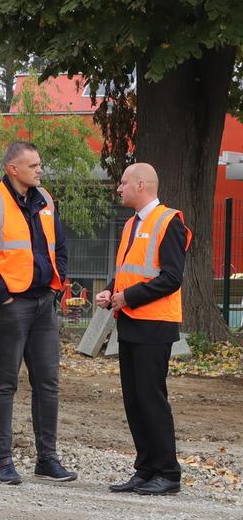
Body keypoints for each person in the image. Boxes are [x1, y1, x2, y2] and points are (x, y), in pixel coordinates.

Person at [0, 140, 78, 485]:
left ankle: (47, 459)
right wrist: (1, 292)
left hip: (44, 302)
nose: (40, 170)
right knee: (4, 383)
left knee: (48, 382)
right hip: (8, 306)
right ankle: (4, 462)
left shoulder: (45, 200)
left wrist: (56, 283)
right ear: (13, 169)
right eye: (34, 166)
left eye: (39, 165)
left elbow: (59, 245)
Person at [97, 162, 191, 496]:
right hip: (132, 322)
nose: (118, 188)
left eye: (122, 183)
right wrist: (111, 291)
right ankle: (146, 469)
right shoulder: (132, 225)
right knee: (135, 400)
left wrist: (128, 297)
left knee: (152, 399)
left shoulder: (169, 221)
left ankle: (168, 472)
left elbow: (171, 277)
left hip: (156, 323)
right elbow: (128, 270)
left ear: (141, 184)